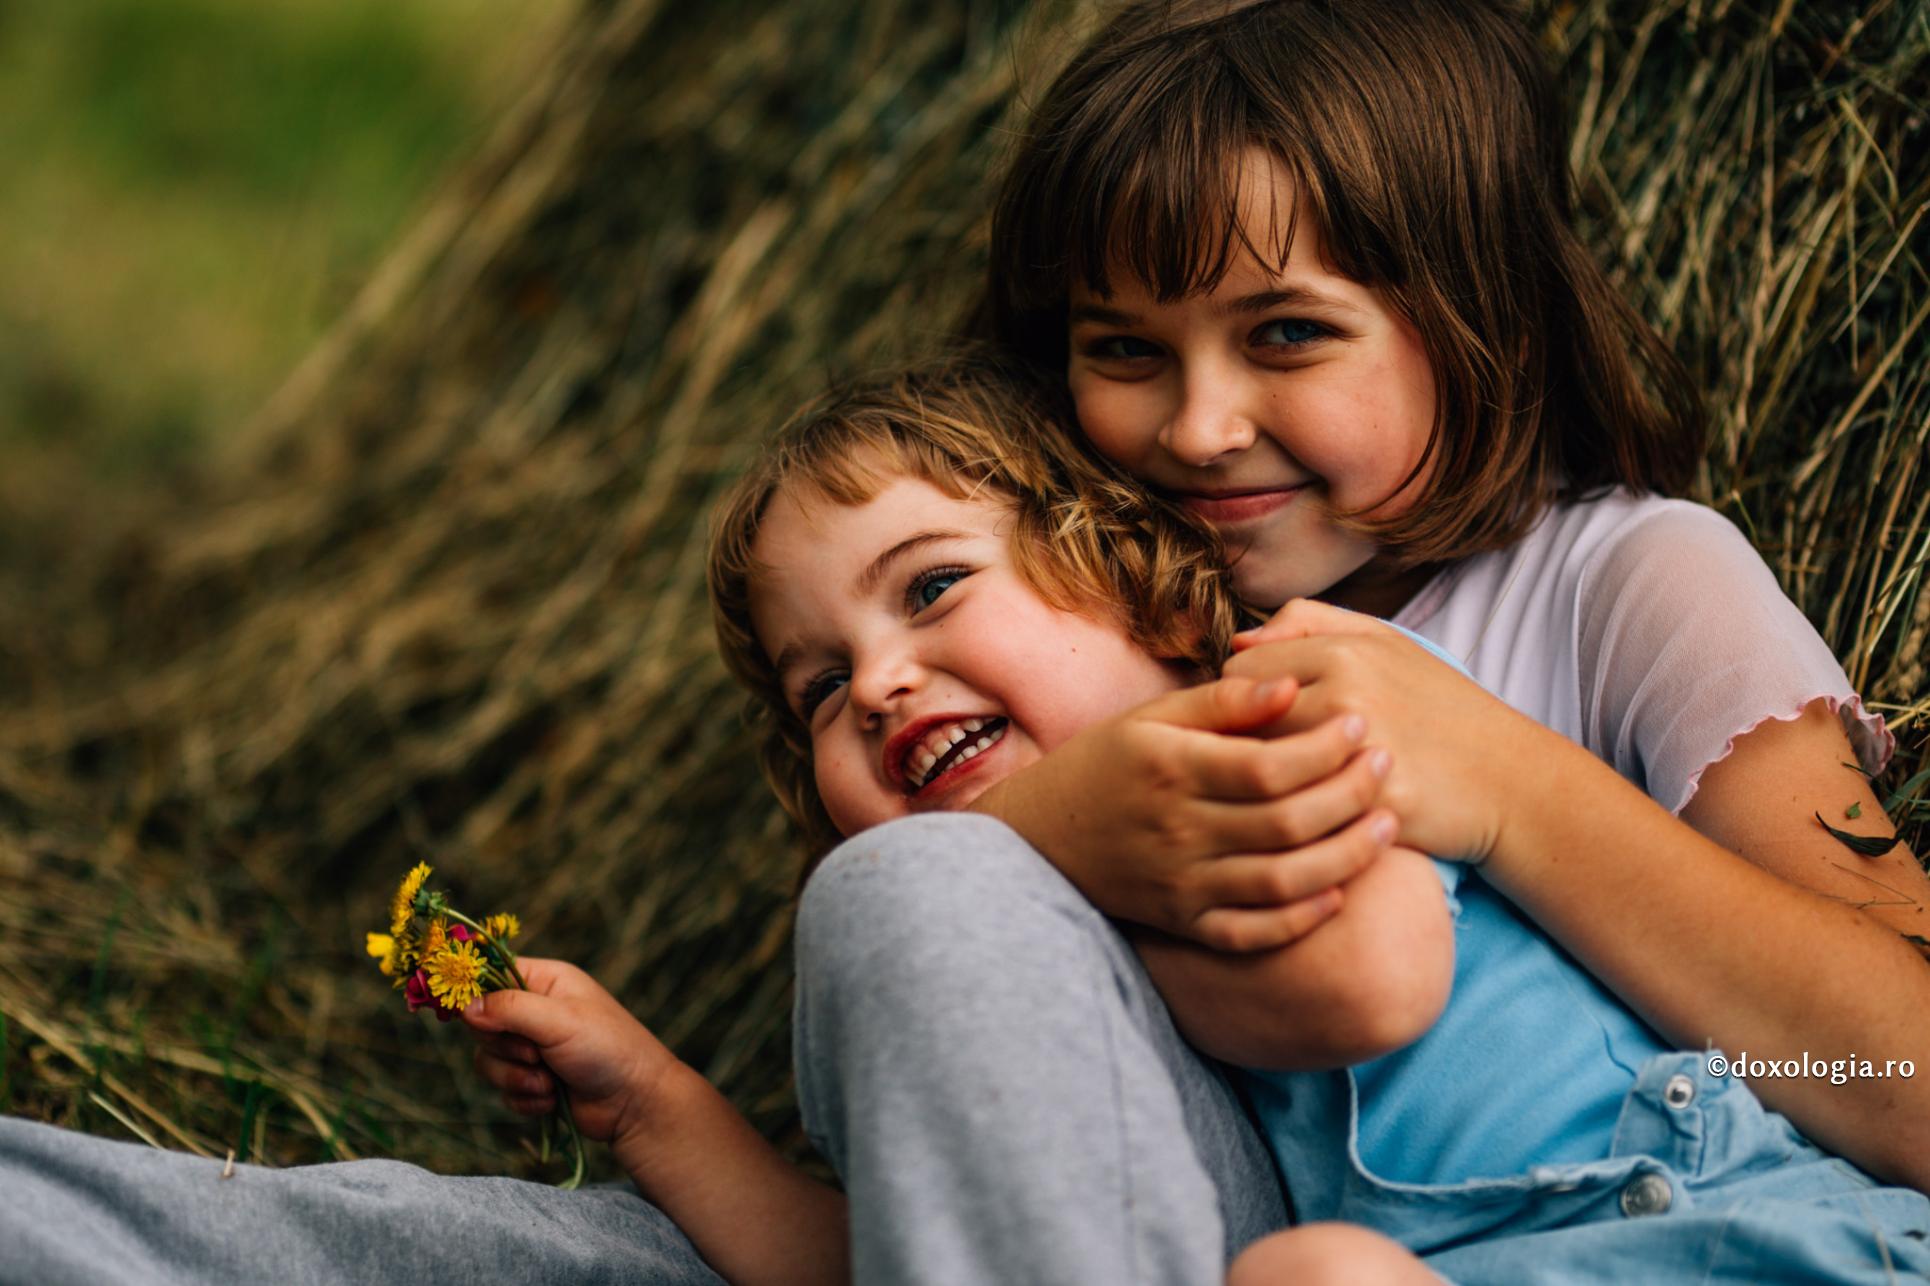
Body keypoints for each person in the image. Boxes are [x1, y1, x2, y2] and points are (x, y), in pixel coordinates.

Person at [774, 0, 1930, 1277]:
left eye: (1286, 332)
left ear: (1481, 316)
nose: (1201, 426)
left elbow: (1901, 1069)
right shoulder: (1089, 651)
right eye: (1123, 348)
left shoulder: (1631, 581)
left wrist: (1506, 790)